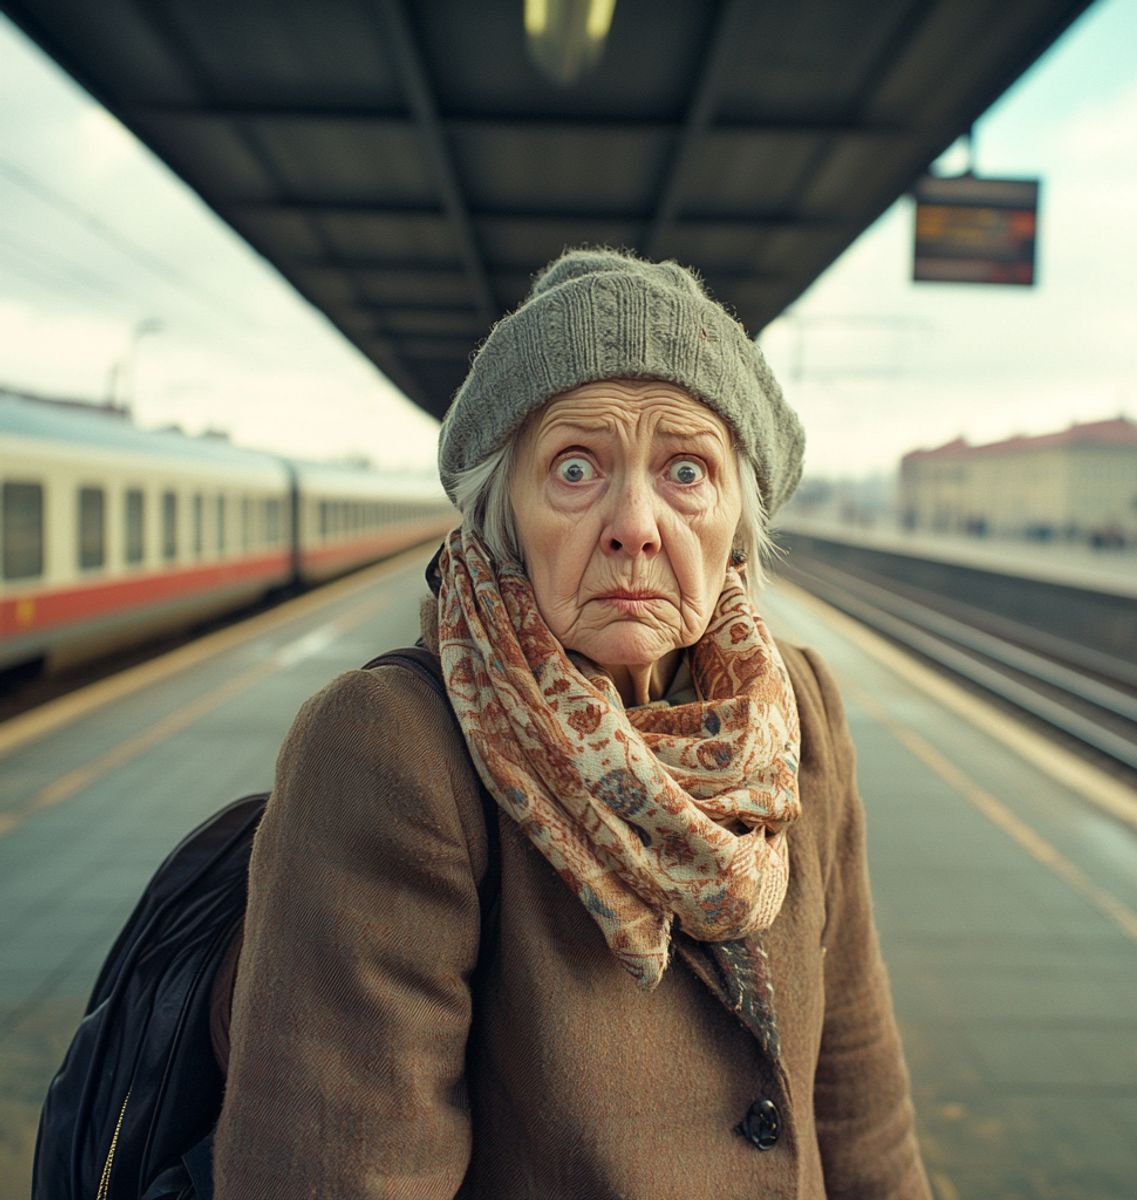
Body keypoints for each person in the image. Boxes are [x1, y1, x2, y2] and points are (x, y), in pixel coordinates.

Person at [212, 248, 931, 1198]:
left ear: (735, 522)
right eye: (577, 466)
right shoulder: (392, 749)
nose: (635, 522)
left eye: (685, 470)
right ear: (504, 509)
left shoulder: (800, 714)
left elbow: (859, 1106)